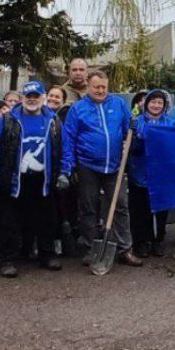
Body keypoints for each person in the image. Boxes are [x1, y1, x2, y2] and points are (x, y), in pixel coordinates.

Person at [61, 70, 142, 267]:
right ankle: (91, 248)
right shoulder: (78, 109)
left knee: (121, 205)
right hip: (87, 165)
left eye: (104, 87)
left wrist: (134, 127)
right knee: (88, 207)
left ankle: (125, 249)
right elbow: (69, 139)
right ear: (88, 86)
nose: (100, 90)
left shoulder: (118, 105)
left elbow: (128, 132)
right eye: (96, 87)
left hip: (115, 165)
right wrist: (69, 166)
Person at [0, 81, 64, 277]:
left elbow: (66, 148)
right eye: (28, 96)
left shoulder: (53, 121)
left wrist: (64, 172)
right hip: (14, 179)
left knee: (47, 220)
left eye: (36, 96)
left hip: (43, 180)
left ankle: (47, 255)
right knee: (9, 221)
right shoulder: (8, 119)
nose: (32, 99)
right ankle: (7, 260)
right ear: (22, 98)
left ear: (43, 97)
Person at [129, 89, 174, 258]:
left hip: (161, 174)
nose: (156, 105)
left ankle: (158, 241)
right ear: (146, 104)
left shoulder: (170, 124)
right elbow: (131, 149)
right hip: (139, 172)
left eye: (159, 103)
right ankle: (141, 242)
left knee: (161, 210)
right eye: (153, 102)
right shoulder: (136, 122)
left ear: (164, 105)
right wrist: (136, 137)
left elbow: (173, 147)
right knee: (140, 210)